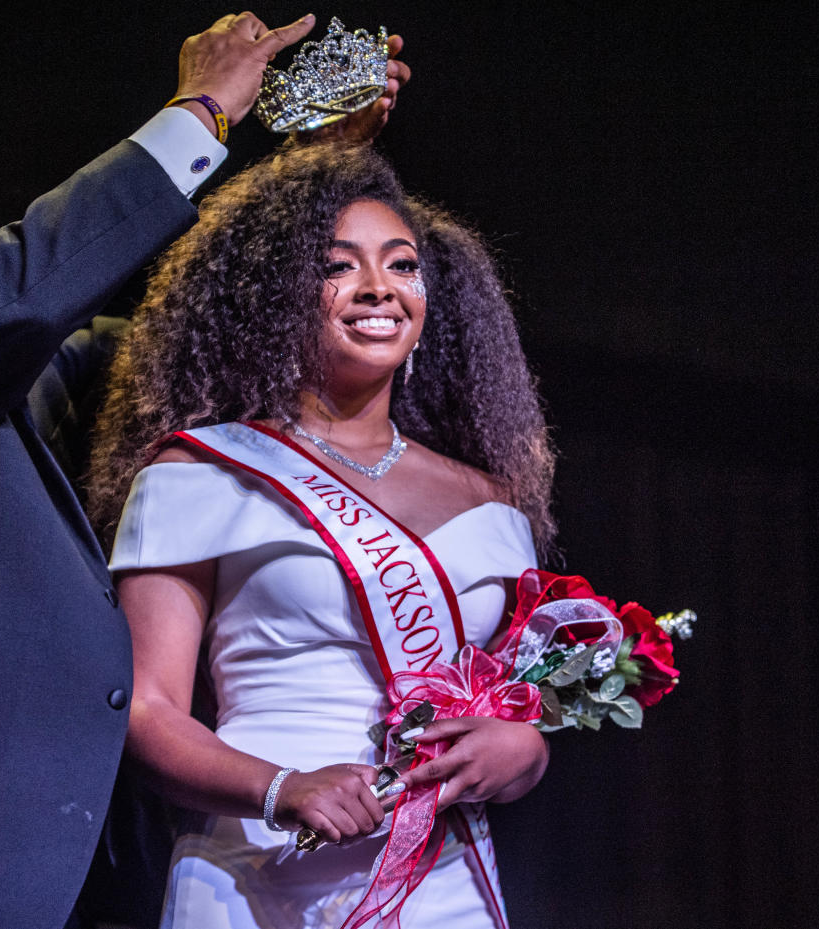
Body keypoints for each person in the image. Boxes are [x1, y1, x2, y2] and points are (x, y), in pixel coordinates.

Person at [0, 13, 408, 928]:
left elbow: (173, 327)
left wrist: (301, 173)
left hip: (57, 849)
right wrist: (199, 110)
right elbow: (11, 298)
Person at [87, 140, 556, 928]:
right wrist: (282, 786)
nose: (380, 287)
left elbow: (509, 700)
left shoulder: (492, 496)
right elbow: (145, 708)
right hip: (258, 870)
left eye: (403, 265)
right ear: (276, 295)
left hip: (440, 876)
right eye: (339, 265)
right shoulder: (204, 470)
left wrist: (524, 753)